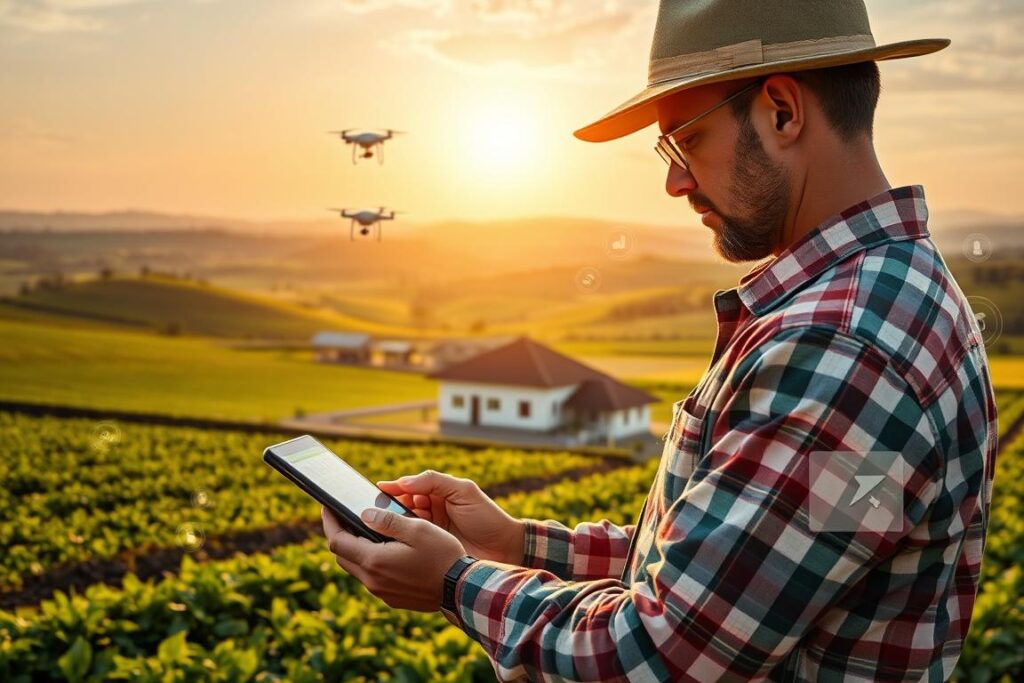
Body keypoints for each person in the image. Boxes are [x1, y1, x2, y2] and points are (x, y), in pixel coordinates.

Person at [321, 1, 999, 680]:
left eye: (686, 140)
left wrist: (454, 583)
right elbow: (745, 572)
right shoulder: (894, 295)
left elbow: (660, 657)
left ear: (782, 113)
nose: (675, 182)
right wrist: (515, 543)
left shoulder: (839, 348)